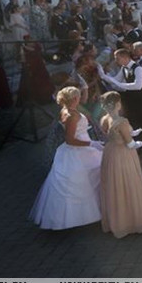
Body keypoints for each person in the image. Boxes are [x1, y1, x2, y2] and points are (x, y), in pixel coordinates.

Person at [30, 87, 103, 230]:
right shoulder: (72, 116)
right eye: (79, 96)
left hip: (78, 150)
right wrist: (91, 143)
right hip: (79, 150)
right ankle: (81, 215)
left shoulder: (64, 111)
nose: (81, 98)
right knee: (88, 177)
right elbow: (70, 140)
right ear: (75, 98)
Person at [99, 92, 142, 239]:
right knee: (128, 183)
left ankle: (117, 221)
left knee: (114, 185)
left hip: (110, 152)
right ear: (118, 104)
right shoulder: (122, 121)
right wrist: (138, 143)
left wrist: (133, 132)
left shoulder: (104, 119)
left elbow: (112, 135)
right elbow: (129, 143)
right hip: (123, 155)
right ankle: (132, 221)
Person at [98, 48, 142, 157]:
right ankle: (141, 147)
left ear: (125, 57)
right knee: (137, 122)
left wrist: (119, 84)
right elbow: (116, 80)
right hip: (134, 100)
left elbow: (137, 85)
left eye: (117, 58)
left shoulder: (138, 69)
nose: (116, 61)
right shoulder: (124, 68)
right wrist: (104, 76)